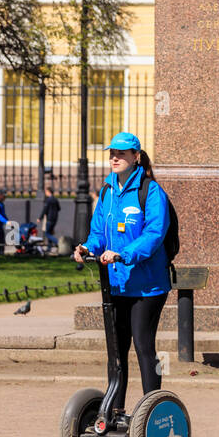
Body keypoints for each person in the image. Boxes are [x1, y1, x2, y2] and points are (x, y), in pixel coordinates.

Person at [74, 132, 170, 421]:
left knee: (144, 346)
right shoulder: (107, 192)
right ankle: (114, 411)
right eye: (112, 153)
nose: (115, 158)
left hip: (148, 286)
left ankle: (152, 410)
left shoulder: (150, 191)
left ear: (136, 157)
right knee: (116, 351)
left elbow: (154, 234)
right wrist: (86, 247)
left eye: (122, 153)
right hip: (116, 286)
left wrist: (123, 253)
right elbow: (97, 235)